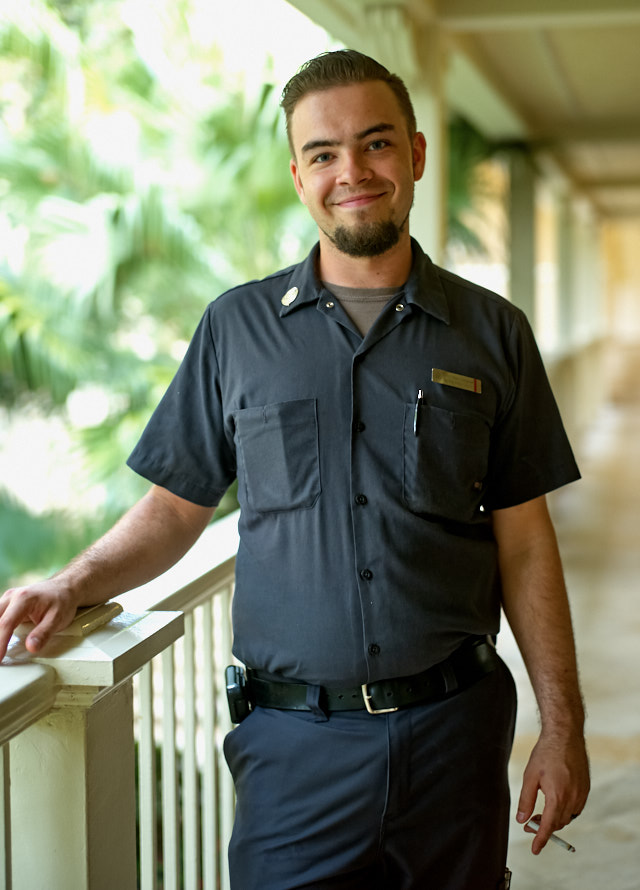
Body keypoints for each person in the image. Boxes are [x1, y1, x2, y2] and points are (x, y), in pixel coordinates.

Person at [0, 50, 589, 889]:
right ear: (298, 174)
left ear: (416, 155)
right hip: (293, 756)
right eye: (323, 153)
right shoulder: (236, 330)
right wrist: (71, 583)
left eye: (376, 143)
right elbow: (174, 510)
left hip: (456, 737)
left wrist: (562, 729)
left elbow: (525, 541)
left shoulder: (492, 332)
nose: (352, 170)